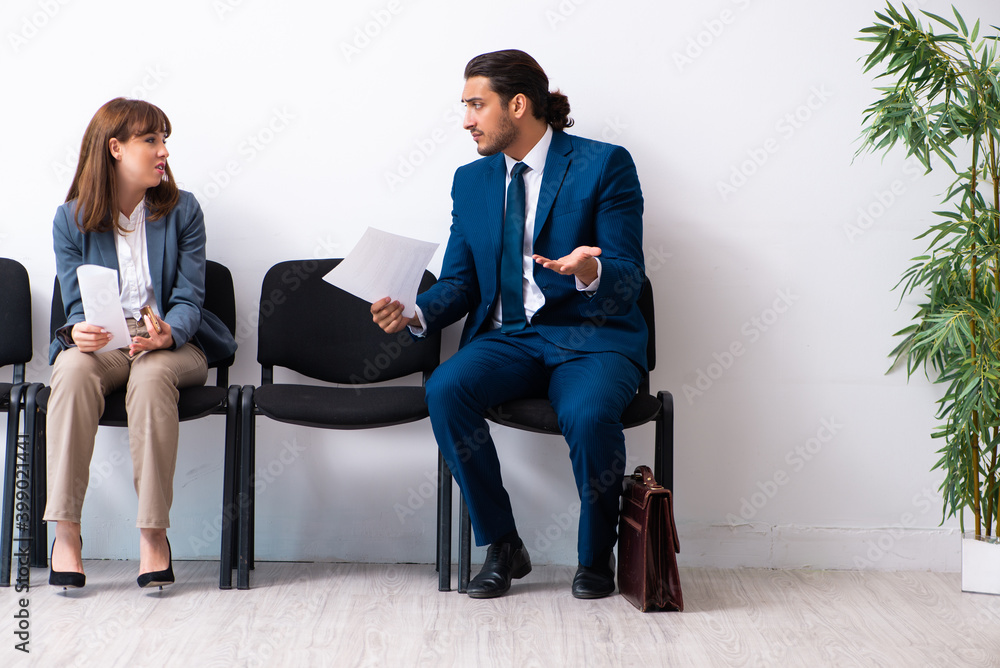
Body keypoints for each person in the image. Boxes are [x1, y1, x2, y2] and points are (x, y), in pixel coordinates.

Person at [371, 50, 646, 599]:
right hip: (508, 339)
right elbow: (460, 282)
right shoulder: (471, 181)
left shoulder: (603, 164)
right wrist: (416, 311)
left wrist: (589, 270)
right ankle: (502, 543)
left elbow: (629, 276)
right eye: (465, 106)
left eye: (477, 105)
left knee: (588, 413)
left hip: (590, 339)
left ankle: (596, 558)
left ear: (517, 105)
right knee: (446, 388)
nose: (466, 120)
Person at [44, 98, 237, 590]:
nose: (163, 151)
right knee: (71, 369)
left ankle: (153, 535)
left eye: (164, 140)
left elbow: (190, 298)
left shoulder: (183, 210)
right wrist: (79, 330)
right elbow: (76, 305)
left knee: (151, 376)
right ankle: (65, 532)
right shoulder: (71, 219)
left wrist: (168, 332)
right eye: (151, 140)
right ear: (116, 148)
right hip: (110, 345)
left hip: (174, 344)